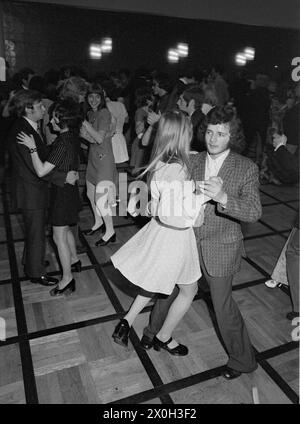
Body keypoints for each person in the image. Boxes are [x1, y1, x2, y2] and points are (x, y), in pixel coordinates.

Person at [139, 106, 262, 380]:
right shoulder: (191, 162)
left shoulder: (245, 167)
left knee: (223, 306)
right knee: (167, 290)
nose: (213, 139)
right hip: (186, 240)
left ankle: (243, 361)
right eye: (209, 132)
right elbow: (169, 193)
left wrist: (224, 198)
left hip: (221, 246)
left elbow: (254, 212)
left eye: (221, 133)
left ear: (233, 136)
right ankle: (152, 334)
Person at [111, 110, 210, 354]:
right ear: (180, 134)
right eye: (188, 130)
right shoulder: (179, 170)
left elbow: (154, 206)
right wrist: (202, 200)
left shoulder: (160, 163)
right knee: (189, 290)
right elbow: (178, 215)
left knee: (155, 279)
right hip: (175, 235)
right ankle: (164, 337)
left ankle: (126, 322)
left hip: (158, 232)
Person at [8, 90, 78, 286]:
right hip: (31, 192)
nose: (44, 109)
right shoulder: (23, 131)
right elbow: (34, 168)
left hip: (34, 190)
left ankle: (32, 262)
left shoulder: (29, 126)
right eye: (39, 106)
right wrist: (64, 176)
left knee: (34, 232)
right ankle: (36, 272)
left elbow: (43, 157)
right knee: (36, 233)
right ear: (28, 109)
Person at [80, 82, 117, 246]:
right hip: (94, 157)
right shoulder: (90, 113)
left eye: (97, 97)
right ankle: (98, 222)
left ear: (102, 98)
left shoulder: (103, 113)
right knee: (90, 193)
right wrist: (87, 133)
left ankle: (110, 231)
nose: (94, 100)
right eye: (90, 97)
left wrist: (85, 125)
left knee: (101, 198)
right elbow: (92, 139)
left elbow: (99, 138)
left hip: (104, 160)